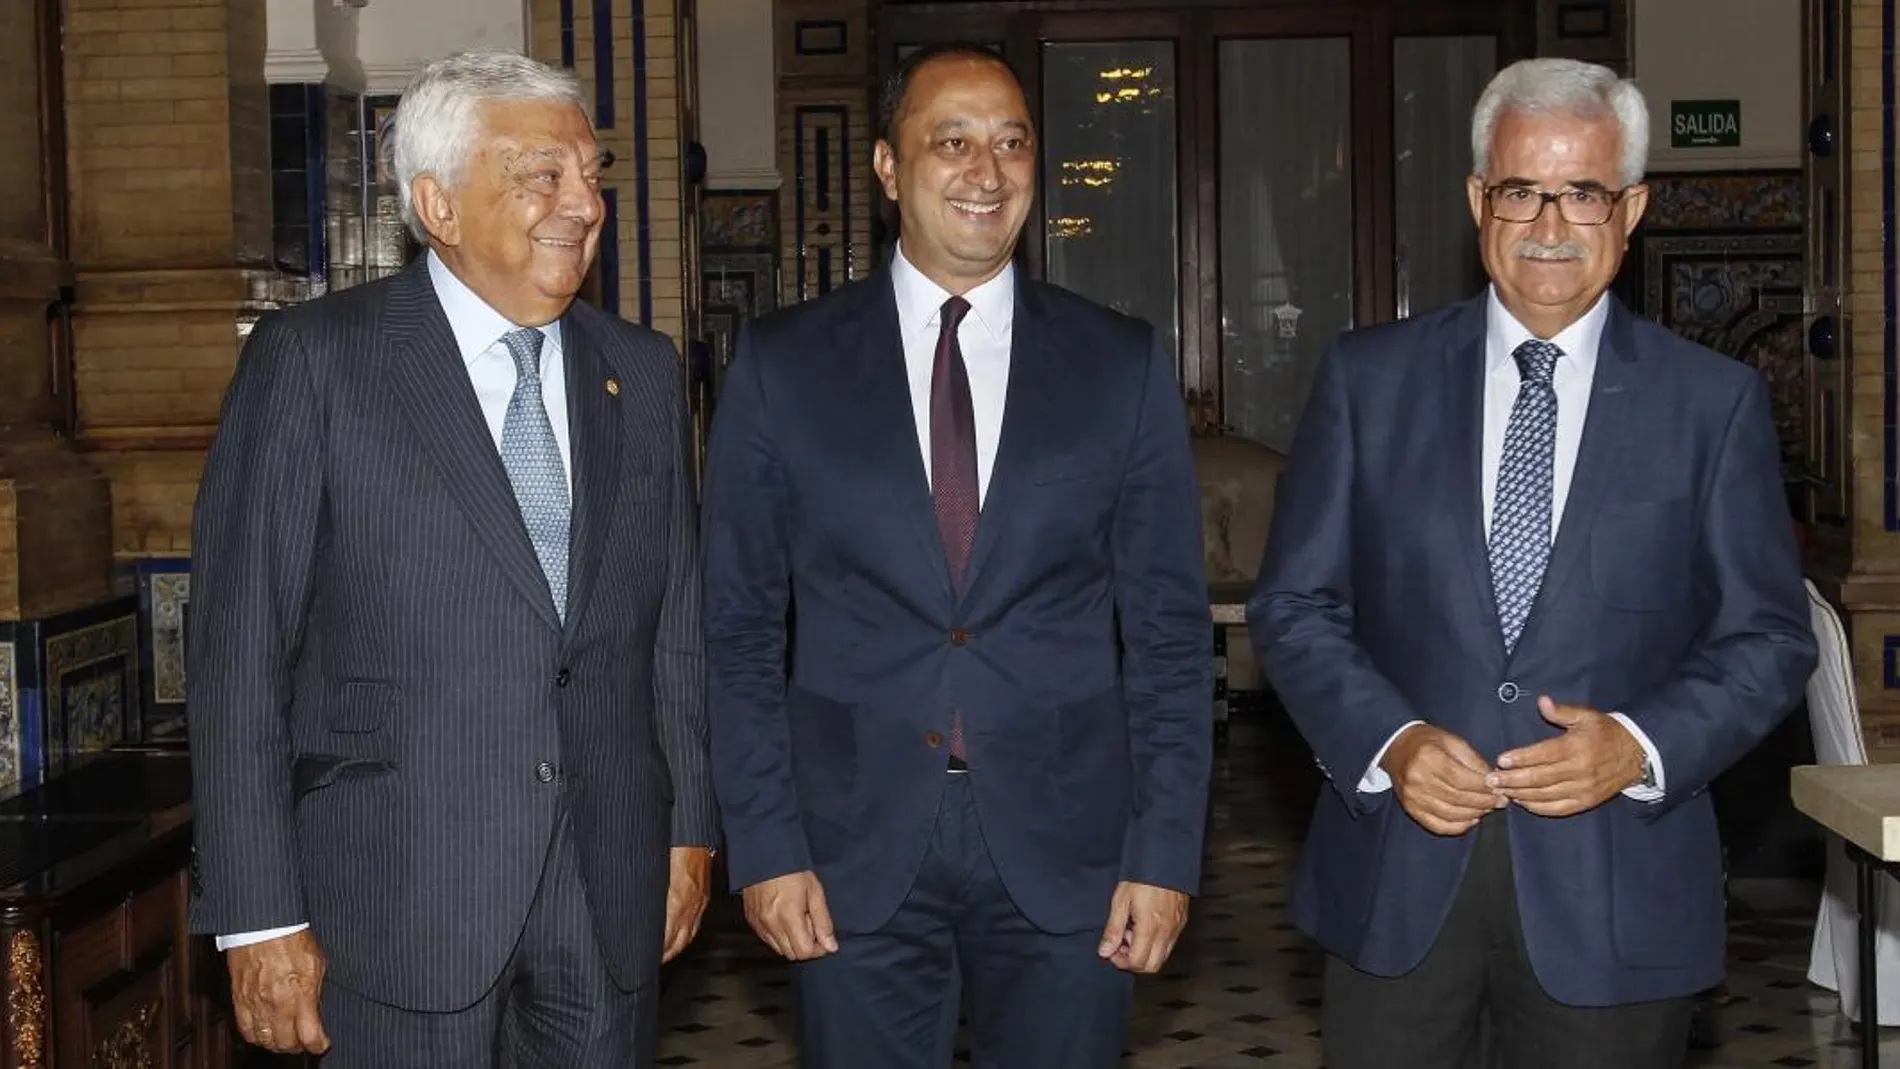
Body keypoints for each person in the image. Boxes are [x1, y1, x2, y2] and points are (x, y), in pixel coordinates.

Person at [1248, 57, 1817, 1069]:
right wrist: (1391, 740)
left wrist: (1639, 746)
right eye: (1520, 190)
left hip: (1616, 906)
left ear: (1630, 207)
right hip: (1398, 893)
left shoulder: (1711, 406)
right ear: (1477, 198)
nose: (1548, 225)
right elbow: (1294, 604)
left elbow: (1767, 636)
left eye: (1582, 193)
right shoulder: (1366, 382)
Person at [186, 49, 717, 1067]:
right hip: (394, 904)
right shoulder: (316, 363)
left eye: (592, 174)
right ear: (437, 203)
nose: (582, 203)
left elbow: (674, 631)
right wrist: (255, 916)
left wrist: (688, 828)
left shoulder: (640, 374)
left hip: (606, 889)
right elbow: (238, 655)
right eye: (542, 177)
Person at [700, 42, 1212, 1069]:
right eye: (953, 141)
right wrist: (766, 846)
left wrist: (1165, 852)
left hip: (1074, 849)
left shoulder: (1119, 362)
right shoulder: (783, 364)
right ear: (889, 169)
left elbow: (1166, 630)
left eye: (1012, 142)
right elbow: (738, 628)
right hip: (849, 846)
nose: (987, 170)